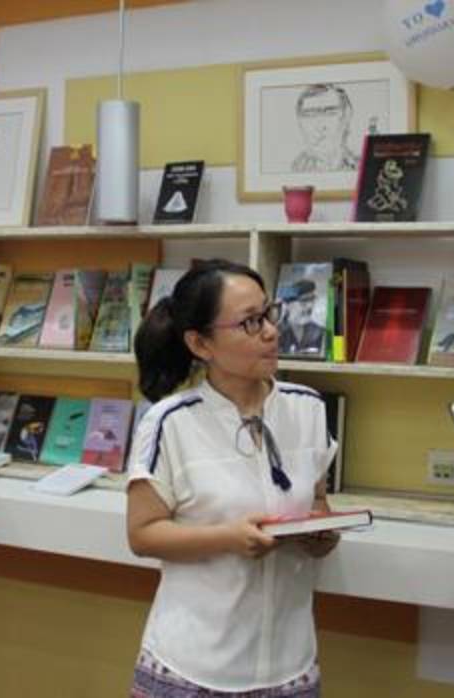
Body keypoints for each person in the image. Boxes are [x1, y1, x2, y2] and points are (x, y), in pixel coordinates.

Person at [127, 259, 339, 697]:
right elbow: (143, 534)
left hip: (290, 668)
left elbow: (316, 500)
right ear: (201, 344)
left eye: (269, 314)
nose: (270, 332)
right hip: (192, 671)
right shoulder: (170, 422)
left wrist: (321, 528)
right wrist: (229, 538)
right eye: (250, 323)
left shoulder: (309, 408)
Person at [290, 83, 359, 173]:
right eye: (310, 114)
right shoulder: (294, 170)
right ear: (300, 122)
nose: (320, 126)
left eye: (330, 112)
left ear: (346, 117)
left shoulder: (362, 167)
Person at [277, 279, 327, 357]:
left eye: (312, 300)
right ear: (288, 305)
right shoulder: (275, 333)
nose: (309, 307)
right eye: (304, 301)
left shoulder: (321, 333)